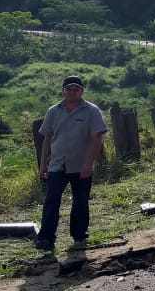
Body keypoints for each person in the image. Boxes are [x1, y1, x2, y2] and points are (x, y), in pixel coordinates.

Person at [36, 76, 108, 253]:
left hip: (81, 165)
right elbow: (47, 138)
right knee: (52, 200)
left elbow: (96, 138)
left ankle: (79, 235)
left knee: (81, 202)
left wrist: (88, 163)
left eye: (76, 89)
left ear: (82, 91)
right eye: (69, 89)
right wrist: (43, 163)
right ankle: (46, 238)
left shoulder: (91, 111)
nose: (72, 92)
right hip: (57, 164)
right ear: (63, 91)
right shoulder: (53, 111)